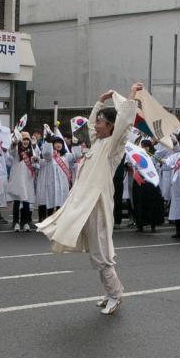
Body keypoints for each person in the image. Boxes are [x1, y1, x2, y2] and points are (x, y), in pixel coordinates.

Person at [37, 85, 141, 315]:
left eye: (102, 122)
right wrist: (99, 103)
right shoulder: (98, 143)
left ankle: (115, 294)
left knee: (102, 252)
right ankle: (111, 292)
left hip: (99, 205)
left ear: (111, 126)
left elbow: (124, 124)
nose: (96, 125)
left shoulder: (114, 146)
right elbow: (92, 126)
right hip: (84, 204)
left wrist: (131, 96)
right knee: (95, 252)